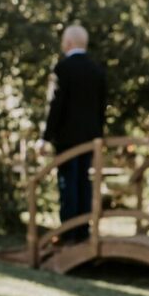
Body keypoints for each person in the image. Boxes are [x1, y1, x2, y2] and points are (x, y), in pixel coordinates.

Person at [40, 23, 107, 243]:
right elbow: (101, 108)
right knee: (83, 183)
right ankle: (83, 231)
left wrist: (45, 138)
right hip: (89, 138)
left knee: (68, 183)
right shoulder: (97, 70)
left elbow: (55, 107)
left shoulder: (63, 69)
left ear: (68, 43)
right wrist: (98, 137)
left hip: (67, 139)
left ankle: (69, 231)